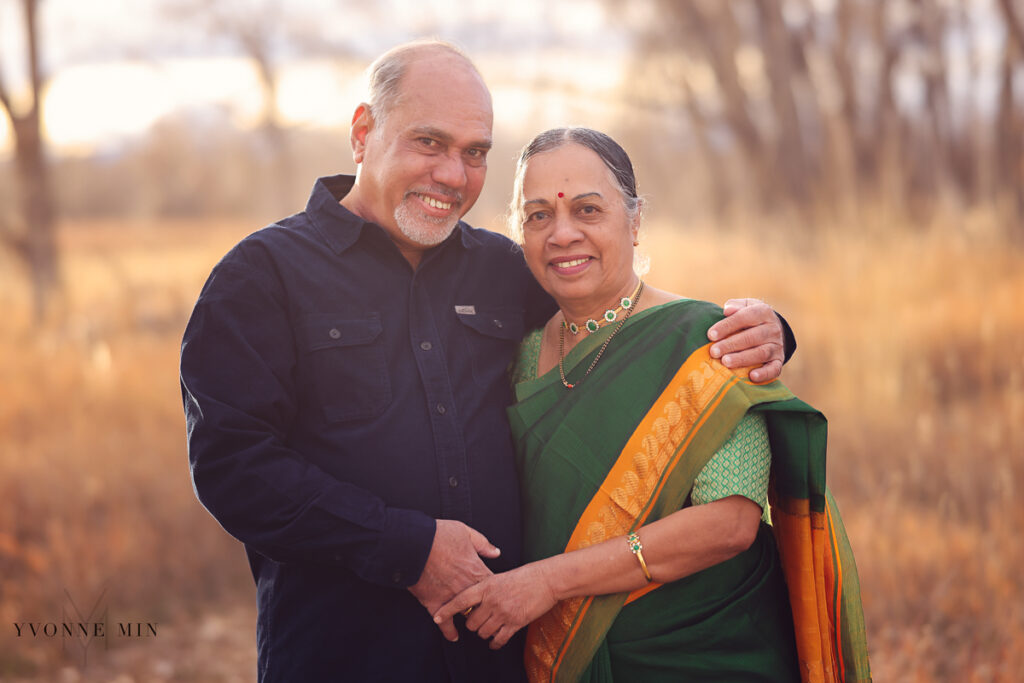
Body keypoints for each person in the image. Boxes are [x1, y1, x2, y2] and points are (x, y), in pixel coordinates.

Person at [179, 43, 795, 682]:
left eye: (475, 152)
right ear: (363, 133)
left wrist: (769, 329)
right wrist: (409, 550)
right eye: (430, 142)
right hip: (347, 653)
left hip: (502, 655)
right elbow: (233, 468)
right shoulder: (261, 276)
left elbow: (624, 325)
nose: (453, 175)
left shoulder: (502, 269)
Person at [432, 127, 871, 683]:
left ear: (635, 221)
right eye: (538, 216)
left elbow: (730, 523)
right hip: (569, 653)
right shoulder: (517, 352)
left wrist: (547, 582)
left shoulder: (704, 343)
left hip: (703, 652)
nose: (563, 233)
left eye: (588, 210)